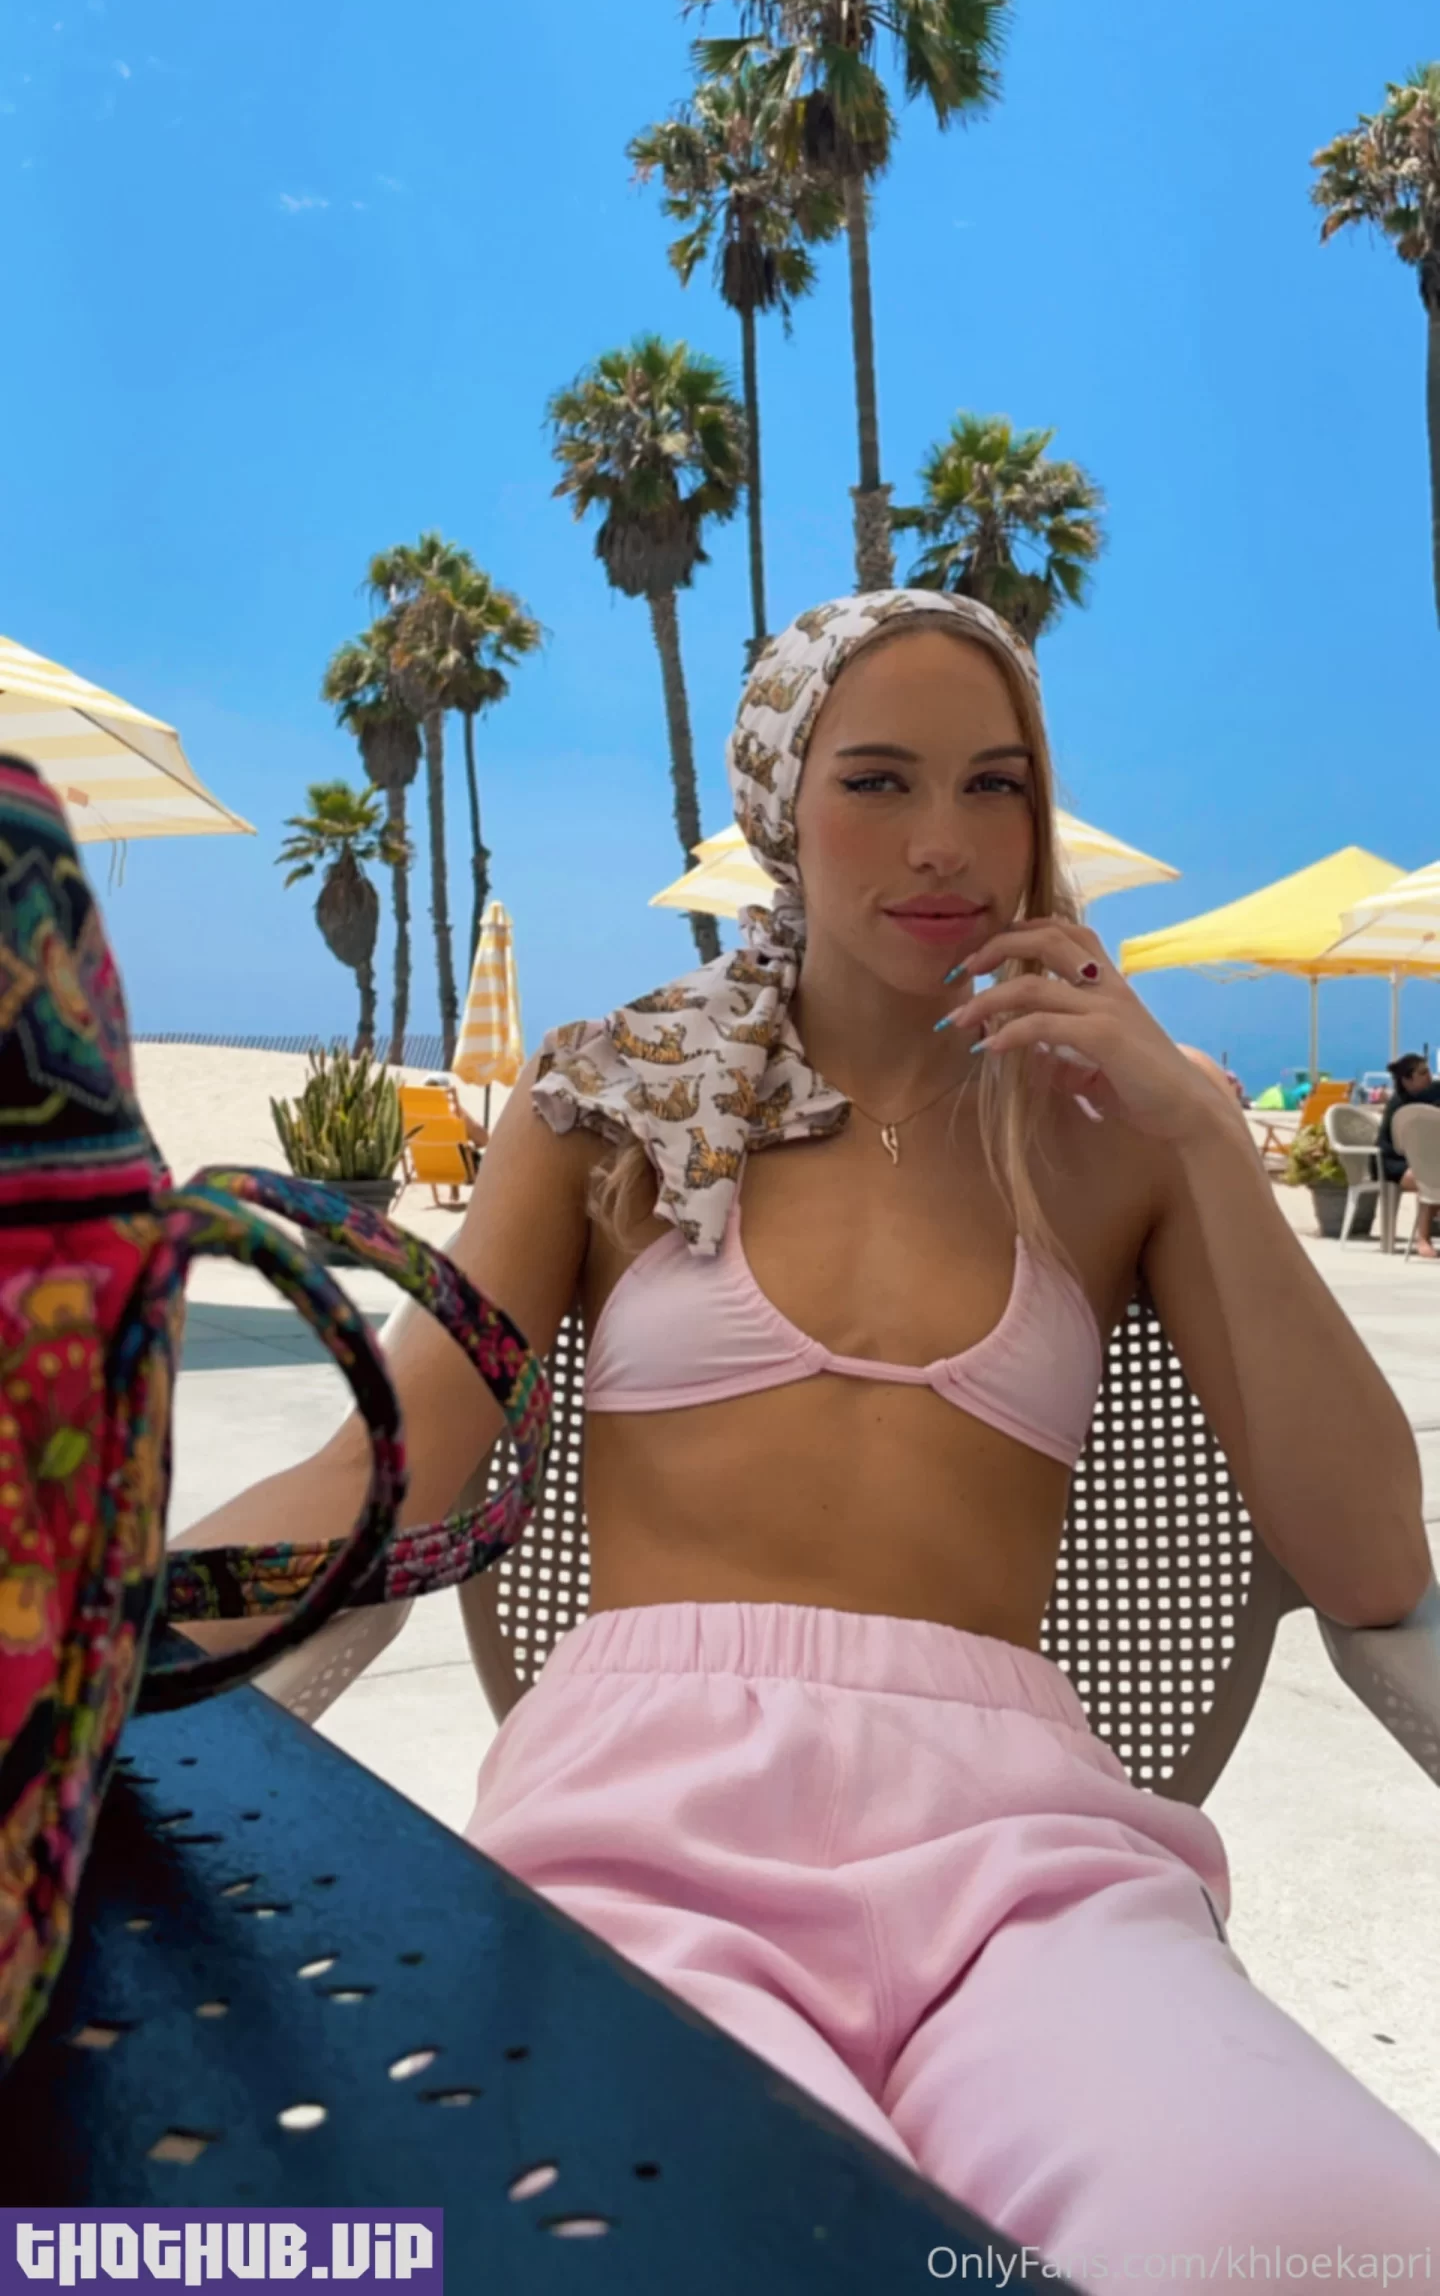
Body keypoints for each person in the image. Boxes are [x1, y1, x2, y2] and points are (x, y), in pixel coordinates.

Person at [176, 591, 1440, 2261]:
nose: (946, 842)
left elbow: (1372, 1563)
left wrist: (1207, 1139)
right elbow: (386, 1468)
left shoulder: (1112, 1132)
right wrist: (92, 1632)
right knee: (704, 2236)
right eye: (878, 780)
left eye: (996, 785)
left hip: (1026, 1855)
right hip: (645, 1827)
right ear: (783, 802)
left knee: (1323, 2228)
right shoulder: (612, 1100)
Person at [1378, 1053, 1440, 1260]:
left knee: (1432, 1170)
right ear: (1407, 1079)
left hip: (1428, 1159)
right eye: (1422, 1073)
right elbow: (1395, 1145)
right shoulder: (1399, 1105)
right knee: (1429, 1175)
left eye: (1428, 1071)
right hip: (1395, 1162)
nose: (1429, 1076)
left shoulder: (1435, 1092)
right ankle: (1422, 1239)